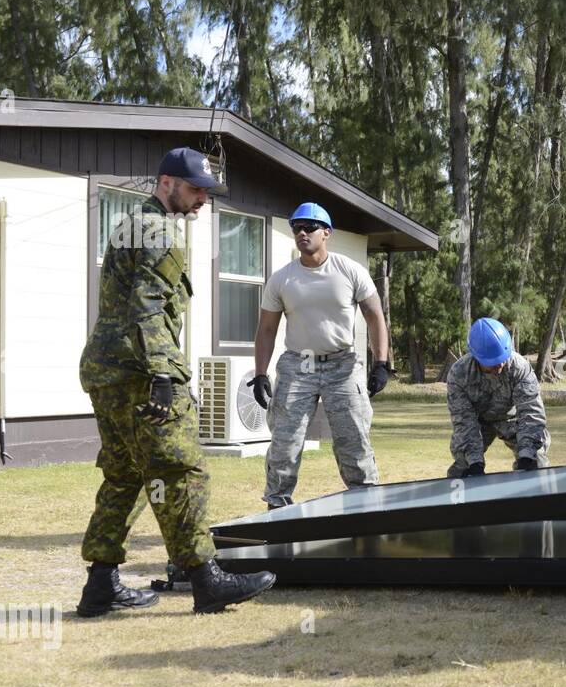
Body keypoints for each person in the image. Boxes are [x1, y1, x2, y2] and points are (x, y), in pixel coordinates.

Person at [77, 147, 276, 615]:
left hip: (106, 371)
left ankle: (100, 584)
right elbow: (147, 307)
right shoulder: (160, 231)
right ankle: (207, 580)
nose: (203, 199)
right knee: (180, 470)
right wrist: (164, 374)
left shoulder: (129, 223)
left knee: (125, 475)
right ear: (166, 183)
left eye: (207, 191)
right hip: (143, 372)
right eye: (195, 189)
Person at [250, 202, 391, 509]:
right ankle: (276, 508)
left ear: (326, 233)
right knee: (284, 444)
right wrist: (260, 373)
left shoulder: (350, 271)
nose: (302, 233)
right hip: (297, 365)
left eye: (309, 227)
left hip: (342, 363)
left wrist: (381, 363)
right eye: (296, 228)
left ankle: (364, 506)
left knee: (353, 439)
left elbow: (375, 316)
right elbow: (266, 330)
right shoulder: (282, 279)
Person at [446, 317, 550, 477]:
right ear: (476, 357)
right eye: (493, 362)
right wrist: (475, 462)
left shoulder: (519, 367)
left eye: (502, 358)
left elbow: (531, 413)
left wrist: (527, 455)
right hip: (478, 422)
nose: (500, 364)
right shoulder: (459, 374)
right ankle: (458, 501)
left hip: (513, 419)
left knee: (536, 462)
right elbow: (464, 421)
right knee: (463, 468)